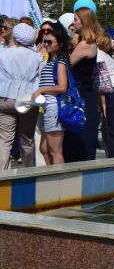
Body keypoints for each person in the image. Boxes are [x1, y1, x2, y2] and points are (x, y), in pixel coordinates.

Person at [0, 23, 42, 169]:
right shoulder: (37, 57)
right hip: (27, 98)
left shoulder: (3, 53)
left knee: (4, 140)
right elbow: (40, 79)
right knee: (27, 139)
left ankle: (2, 176)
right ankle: (29, 174)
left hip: (4, 97)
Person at [63, 7, 99, 163]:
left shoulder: (85, 44)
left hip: (81, 94)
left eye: (76, 19)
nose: (73, 23)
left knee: (78, 136)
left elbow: (66, 66)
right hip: (85, 92)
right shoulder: (87, 42)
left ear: (84, 22)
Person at [32, 24, 69, 165]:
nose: (45, 44)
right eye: (44, 41)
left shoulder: (60, 62)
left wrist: (42, 90)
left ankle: (59, 182)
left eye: (49, 42)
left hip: (54, 107)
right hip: (47, 107)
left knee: (55, 150)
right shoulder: (50, 61)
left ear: (59, 44)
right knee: (44, 149)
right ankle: (51, 177)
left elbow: (62, 87)